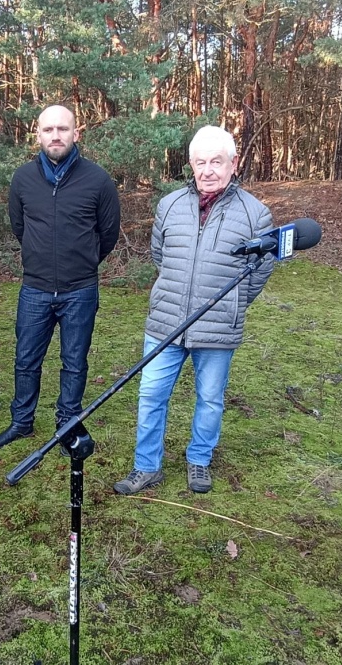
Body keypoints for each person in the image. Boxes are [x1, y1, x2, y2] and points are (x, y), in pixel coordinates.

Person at [114, 125, 273, 496]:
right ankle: (146, 466)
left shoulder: (256, 214)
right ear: (191, 164)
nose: (208, 171)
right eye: (200, 162)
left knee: (210, 399)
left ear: (234, 164)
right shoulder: (169, 205)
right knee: (151, 395)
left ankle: (199, 461)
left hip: (218, 328)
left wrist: (232, 305)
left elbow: (260, 270)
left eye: (216, 162)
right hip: (166, 322)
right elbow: (160, 255)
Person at [0, 105, 120, 448]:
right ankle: (22, 422)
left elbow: (108, 234)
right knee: (26, 359)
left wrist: (84, 262)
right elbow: (20, 227)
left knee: (74, 362)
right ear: (39, 135)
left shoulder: (98, 180)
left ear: (77, 133)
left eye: (63, 129)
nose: (56, 135)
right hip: (35, 288)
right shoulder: (23, 179)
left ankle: (67, 425)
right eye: (48, 130)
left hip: (80, 290)